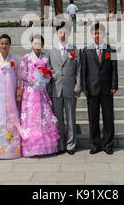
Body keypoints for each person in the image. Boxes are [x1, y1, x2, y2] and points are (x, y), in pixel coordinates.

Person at [18, 34, 60, 157]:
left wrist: (46, 77)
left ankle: (45, 145)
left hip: (42, 91)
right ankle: (31, 147)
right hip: (30, 92)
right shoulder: (26, 57)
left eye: (39, 44)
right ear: (31, 44)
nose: (37, 46)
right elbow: (22, 74)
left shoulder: (45, 57)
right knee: (31, 117)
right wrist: (33, 81)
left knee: (43, 116)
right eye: (35, 43)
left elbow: (49, 72)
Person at [82, 23, 118, 154]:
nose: (97, 35)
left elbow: (114, 69)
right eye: (95, 33)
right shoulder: (86, 50)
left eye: (100, 33)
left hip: (107, 89)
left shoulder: (111, 50)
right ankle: (95, 145)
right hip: (91, 89)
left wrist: (114, 85)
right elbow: (84, 70)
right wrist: (84, 87)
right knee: (93, 118)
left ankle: (108, 145)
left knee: (108, 117)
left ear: (104, 34)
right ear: (92, 35)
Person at [48, 22, 81, 155]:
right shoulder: (52, 51)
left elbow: (79, 70)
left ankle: (71, 145)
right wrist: (49, 87)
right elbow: (48, 70)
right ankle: (61, 144)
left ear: (69, 34)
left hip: (70, 88)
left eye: (65, 32)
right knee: (59, 118)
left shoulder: (75, 50)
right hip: (56, 88)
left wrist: (78, 87)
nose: (63, 35)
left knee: (71, 117)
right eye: (60, 32)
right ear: (57, 34)